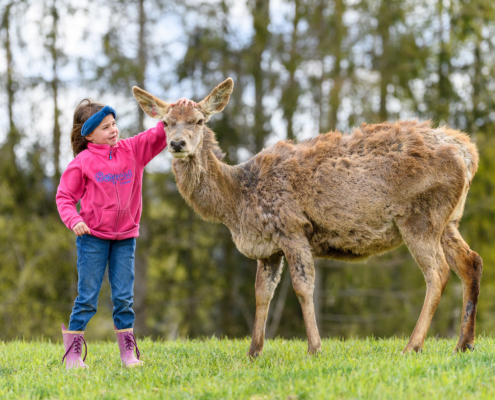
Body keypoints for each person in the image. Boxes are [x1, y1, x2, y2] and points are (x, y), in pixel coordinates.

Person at [56, 96, 195, 369]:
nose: (114, 130)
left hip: (125, 240)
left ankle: (128, 354)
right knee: (87, 298)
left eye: (114, 123)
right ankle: (72, 355)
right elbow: (64, 197)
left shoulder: (132, 150)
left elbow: (159, 132)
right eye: (106, 127)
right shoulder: (82, 162)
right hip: (92, 239)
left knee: (123, 298)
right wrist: (74, 221)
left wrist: (179, 108)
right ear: (89, 135)